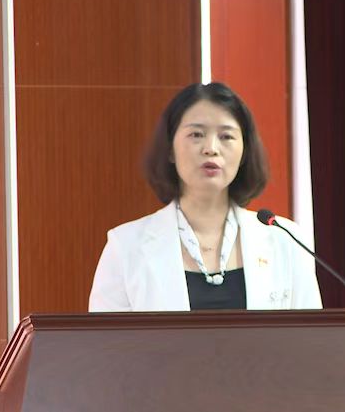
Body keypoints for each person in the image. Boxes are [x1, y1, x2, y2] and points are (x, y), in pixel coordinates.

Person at [88, 82, 323, 312]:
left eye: (226, 136)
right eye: (196, 134)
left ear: (244, 152)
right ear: (170, 148)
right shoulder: (126, 246)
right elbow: (107, 338)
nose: (211, 148)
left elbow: (310, 335)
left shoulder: (286, 241)